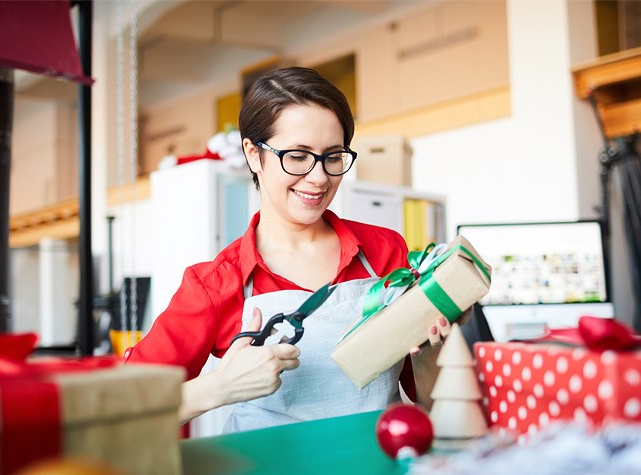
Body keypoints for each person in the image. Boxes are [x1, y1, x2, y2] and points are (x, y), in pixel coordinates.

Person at [126, 66, 452, 433]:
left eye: (332, 156)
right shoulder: (217, 283)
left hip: (374, 474)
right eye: (297, 155)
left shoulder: (383, 251)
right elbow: (121, 410)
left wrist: (430, 355)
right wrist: (218, 386)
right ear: (253, 154)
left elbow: (428, 399)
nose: (318, 177)